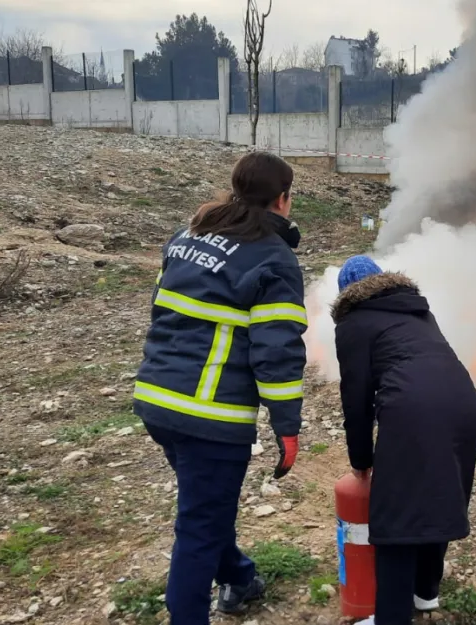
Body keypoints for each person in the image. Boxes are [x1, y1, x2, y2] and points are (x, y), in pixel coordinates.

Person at [134, 152, 308, 625]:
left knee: (205, 506)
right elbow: (277, 354)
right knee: (199, 526)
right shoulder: (274, 260)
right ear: (282, 199)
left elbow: (161, 310)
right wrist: (287, 426)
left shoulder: (186, 236)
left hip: (156, 401)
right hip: (209, 418)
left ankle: (238, 577)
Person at [330, 256, 476, 625]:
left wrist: (361, 460)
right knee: (438, 496)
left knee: (397, 519)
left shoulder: (353, 322)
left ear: (345, 294)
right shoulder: (418, 311)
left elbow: (356, 397)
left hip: (413, 412)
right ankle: (425, 592)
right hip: (465, 405)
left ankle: (390, 618)